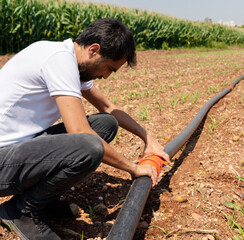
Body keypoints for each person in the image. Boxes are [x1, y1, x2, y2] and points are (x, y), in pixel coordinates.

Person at [0, 18, 169, 240]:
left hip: (16, 149)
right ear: (94, 50)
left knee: (105, 124)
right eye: (109, 68)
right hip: (3, 159)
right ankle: (22, 210)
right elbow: (79, 131)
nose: (107, 76)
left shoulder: (67, 58)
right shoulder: (58, 61)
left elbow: (109, 108)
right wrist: (133, 168)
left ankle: (41, 200)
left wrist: (148, 138)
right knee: (88, 145)